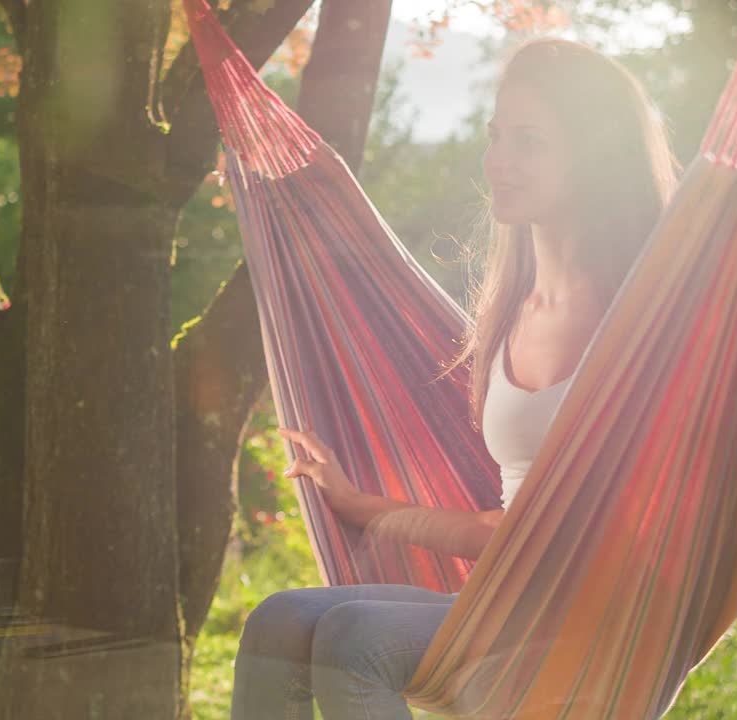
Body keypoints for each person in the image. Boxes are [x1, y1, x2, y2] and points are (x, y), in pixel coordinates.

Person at [230, 37, 680, 720]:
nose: (497, 161)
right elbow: (495, 528)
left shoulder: (643, 315)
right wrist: (360, 506)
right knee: (277, 623)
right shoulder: (510, 314)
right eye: (497, 136)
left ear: (595, 157)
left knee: (355, 643)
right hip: (506, 604)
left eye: (529, 142)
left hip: (595, 622)